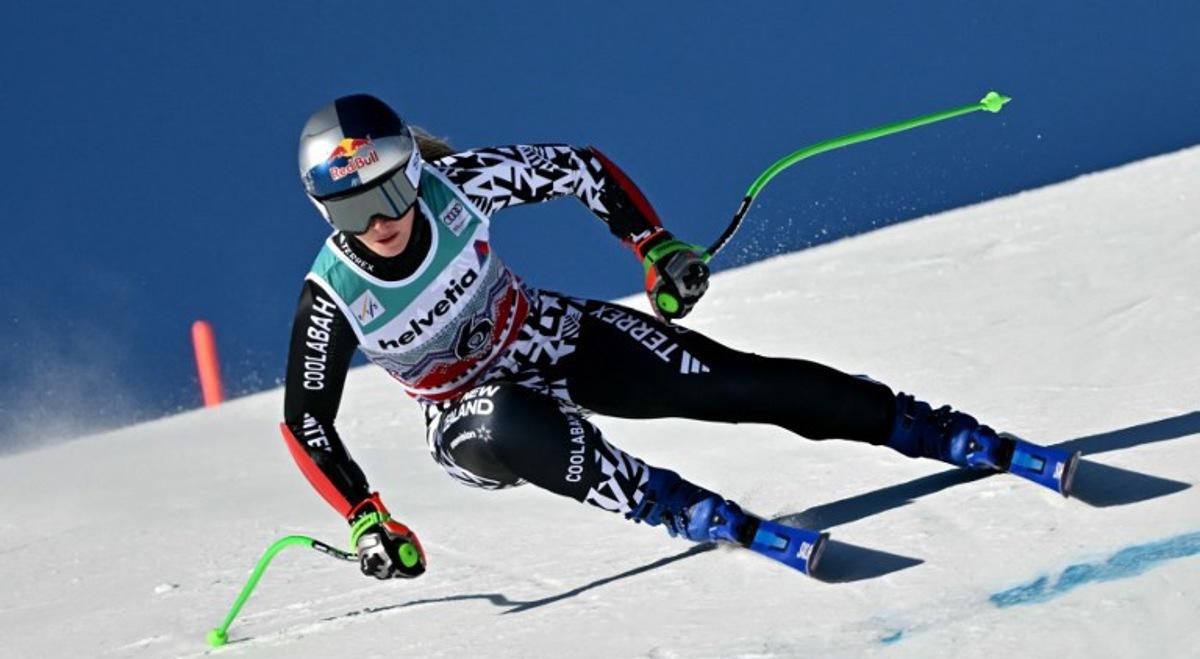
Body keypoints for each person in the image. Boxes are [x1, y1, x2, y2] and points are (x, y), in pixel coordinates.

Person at [281, 93, 1025, 581]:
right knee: (509, 416)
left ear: (414, 169)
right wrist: (366, 518)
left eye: (389, 191)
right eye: (350, 211)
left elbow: (581, 169)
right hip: (463, 416)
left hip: (544, 333)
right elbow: (305, 419)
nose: (379, 221)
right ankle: (672, 504)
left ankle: (924, 427)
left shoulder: (462, 185)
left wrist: (654, 247)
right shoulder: (335, 296)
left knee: (734, 382)